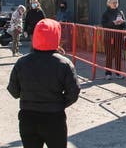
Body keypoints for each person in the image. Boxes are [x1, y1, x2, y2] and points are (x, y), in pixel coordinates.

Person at [7, 19, 80, 148]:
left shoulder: (22, 62)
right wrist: (59, 103)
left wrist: (26, 97)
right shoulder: (64, 64)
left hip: (28, 117)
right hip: (54, 117)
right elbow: (73, 92)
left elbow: (13, 90)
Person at [101, 0, 126, 80]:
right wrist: (113, 23)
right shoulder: (106, 13)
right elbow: (104, 25)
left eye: (116, 2)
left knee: (118, 55)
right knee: (109, 55)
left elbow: (125, 25)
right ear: (109, 3)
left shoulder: (120, 12)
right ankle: (108, 73)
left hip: (118, 37)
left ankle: (118, 73)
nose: (115, 4)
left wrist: (122, 22)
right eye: (113, 2)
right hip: (109, 37)